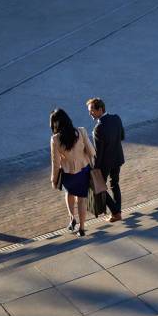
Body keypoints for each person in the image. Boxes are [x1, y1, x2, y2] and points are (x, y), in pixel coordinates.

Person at [50, 108, 96, 237]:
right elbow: (92, 151)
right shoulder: (81, 131)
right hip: (83, 171)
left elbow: (56, 163)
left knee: (69, 193)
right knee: (81, 199)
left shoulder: (55, 139)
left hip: (67, 174)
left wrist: (54, 179)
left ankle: (72, 218)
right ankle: (81, 228)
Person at [86, 97, 125, 222]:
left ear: (100, 109)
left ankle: (115, 212)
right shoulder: (116, 118)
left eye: (91, 110)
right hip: (117, 158)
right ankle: (117, 212)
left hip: (105, 163)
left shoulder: (98, 128)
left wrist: (94, 169)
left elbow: (99, 153)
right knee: (115, 184)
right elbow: (122, 136)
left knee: (99, 188)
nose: (89, 113)